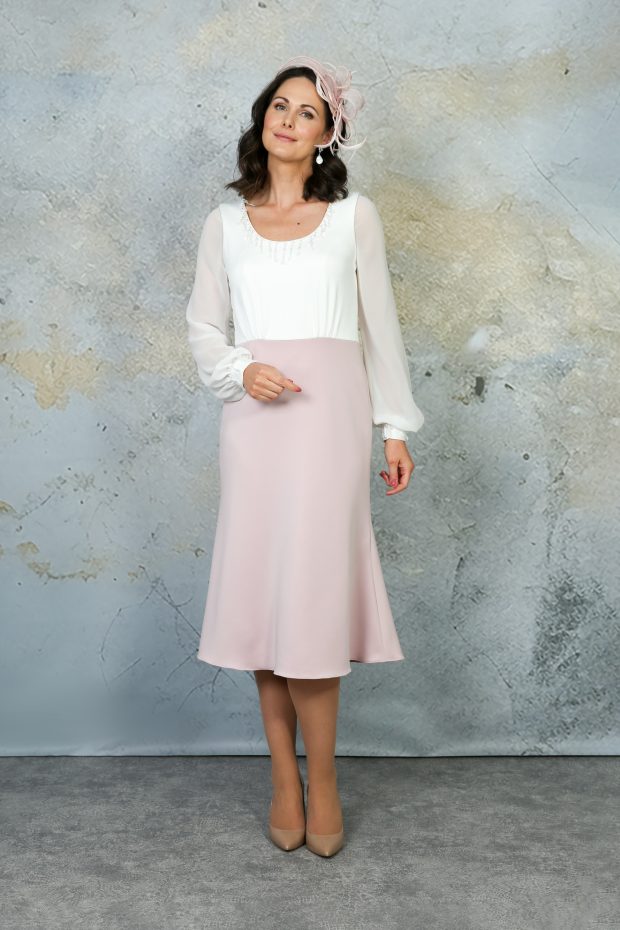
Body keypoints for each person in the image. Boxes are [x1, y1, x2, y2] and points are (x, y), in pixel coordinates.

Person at [185, 55, 425, 858]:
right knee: (266, 597)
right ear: (263, 119)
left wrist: (393, 426)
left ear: (328, 136)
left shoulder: (355, 217)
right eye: (279, 106)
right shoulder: (224, 226)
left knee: (312, 599)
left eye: (307, 112)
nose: (288, 120)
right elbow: (203, 326)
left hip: (330, 420)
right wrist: (239, 370)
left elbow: (380, 324)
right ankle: (282, 782)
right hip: (255, 424)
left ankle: (322, 782)